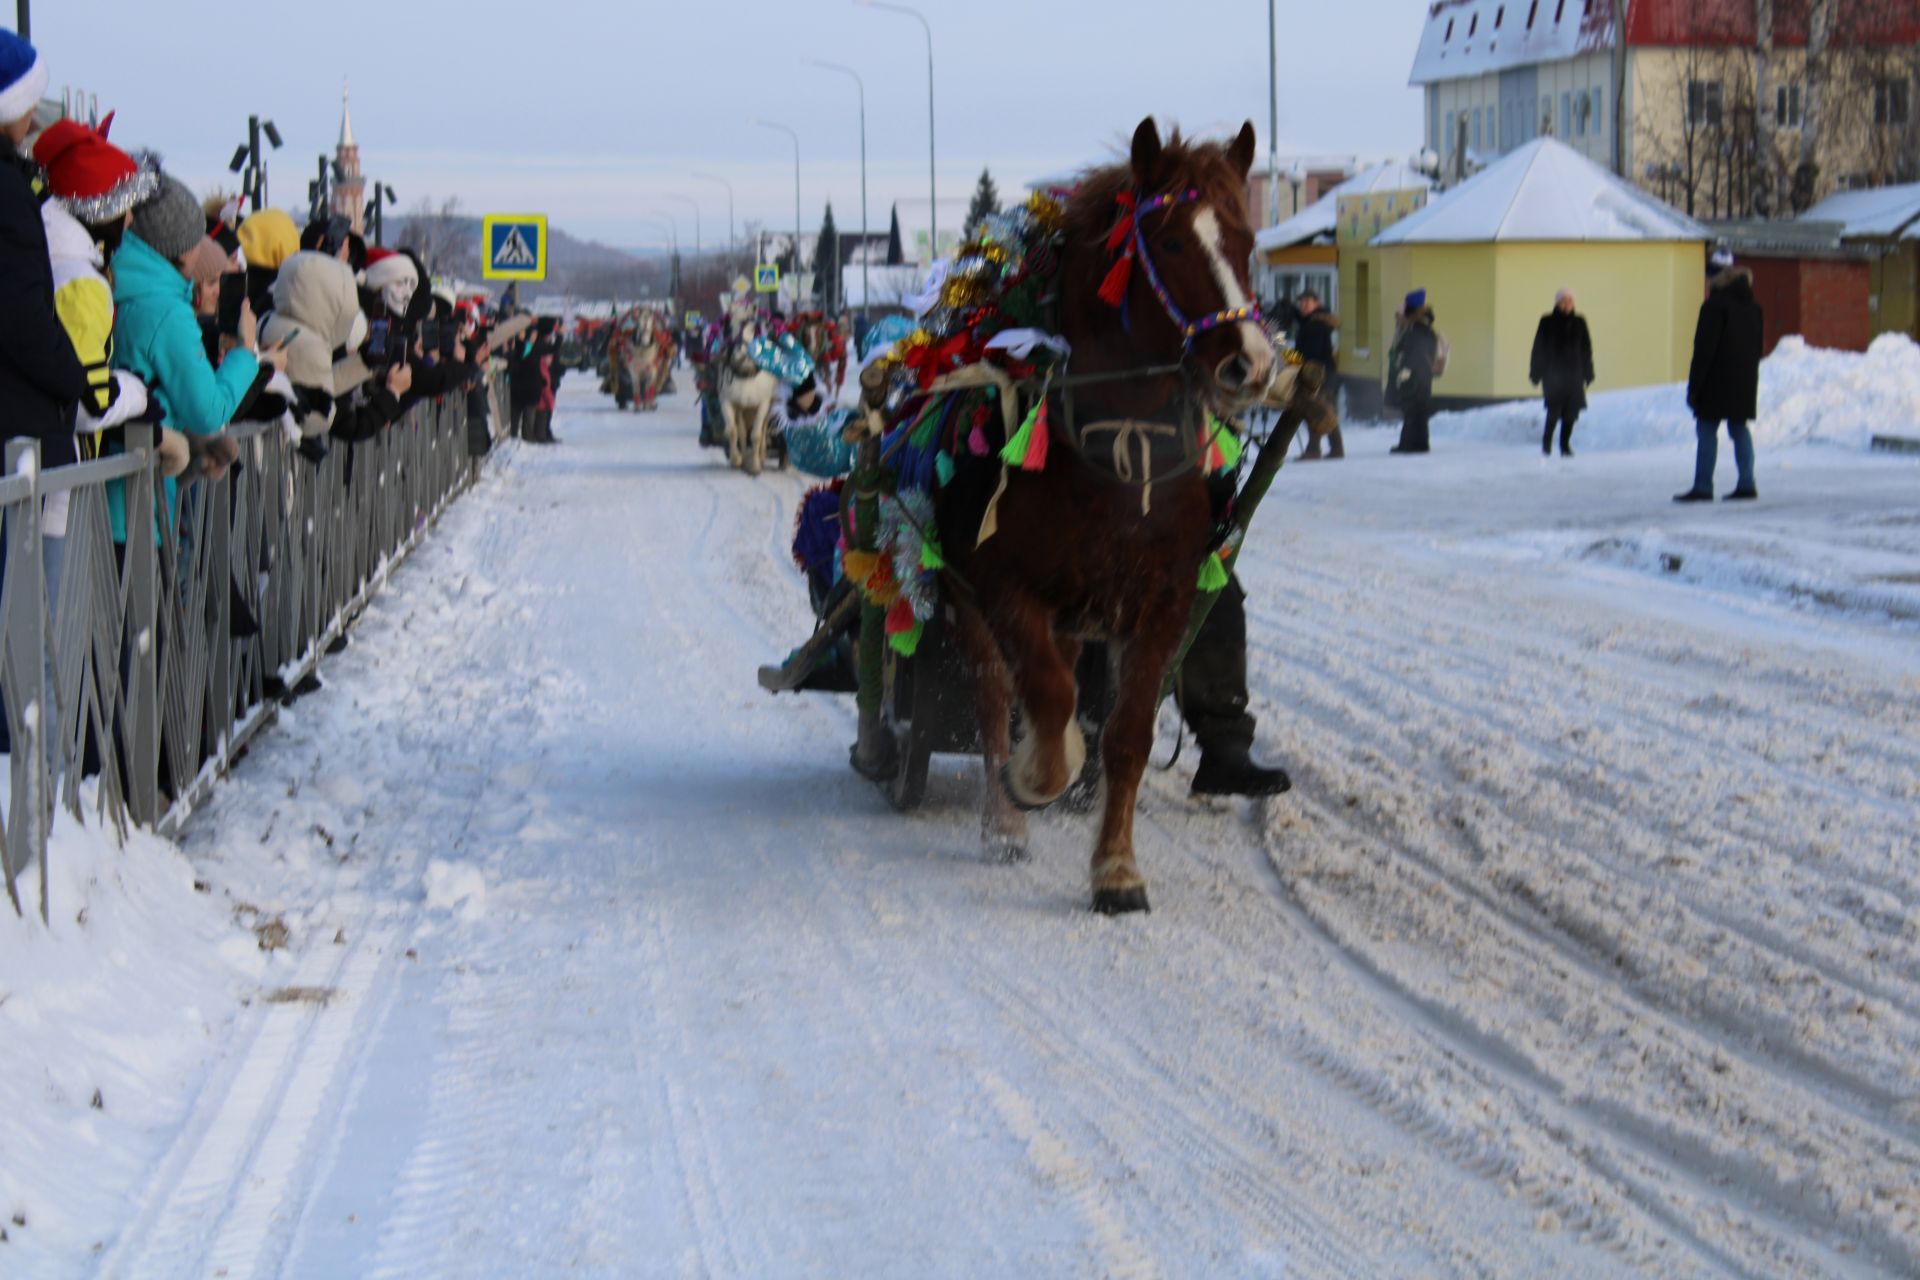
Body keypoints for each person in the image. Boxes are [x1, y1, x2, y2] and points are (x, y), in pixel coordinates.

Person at [0, 31, 93, 465]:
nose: (35, 110)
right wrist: (72, 376)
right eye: (28, 99)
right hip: (16, 429)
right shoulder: (9, 191)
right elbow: (20, 310)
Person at [1677, 247, 1763, 503]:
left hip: (1715, 379)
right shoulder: (1753, 307)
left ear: (1713, 277)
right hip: (1744, 379)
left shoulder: (1714, 306)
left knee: (1706, 430)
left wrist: (1694, 387)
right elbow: (1758, 347)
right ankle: (1747, 483)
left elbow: (1704, 350)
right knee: (1739, 429)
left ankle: (1703, 486)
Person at [1529, 289, 1594, 457]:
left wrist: (1588, 372)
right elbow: (1538, 347)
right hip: (1553, 374)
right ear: (1557, 303)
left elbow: (1586, 349)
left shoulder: (1579, 322)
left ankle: (1565, 445)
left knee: (1571, 413)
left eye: (1569, 301)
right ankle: (1547, 443)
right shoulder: (1547, 321)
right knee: (1554, 410)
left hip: (1574, 374)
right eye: (1563, 301)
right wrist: (1536, 372)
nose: (1566, 304)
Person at [1388, 289, 1442, 454]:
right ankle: (1421, 443)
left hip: (1413, 374)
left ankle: (1408, 444)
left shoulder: (1415, 329)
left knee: (1411, 409)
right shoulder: (1425, 326)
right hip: (1423, 374)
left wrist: (1405, 371)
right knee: (1420, 409)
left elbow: (1412, 352)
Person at [1291, 290, 1343, 460]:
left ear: (1316, 304)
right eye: (1302, 302)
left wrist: (1292, 358)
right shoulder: (1310, 322)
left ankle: (1314, 449)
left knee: (1316, 410)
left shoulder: (1315, 325)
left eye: (1308, 302)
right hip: (1323, 372)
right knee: (1327, 410)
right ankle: (1337, 448)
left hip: (1319, 374)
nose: (1304, 305)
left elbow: (1310, 353)